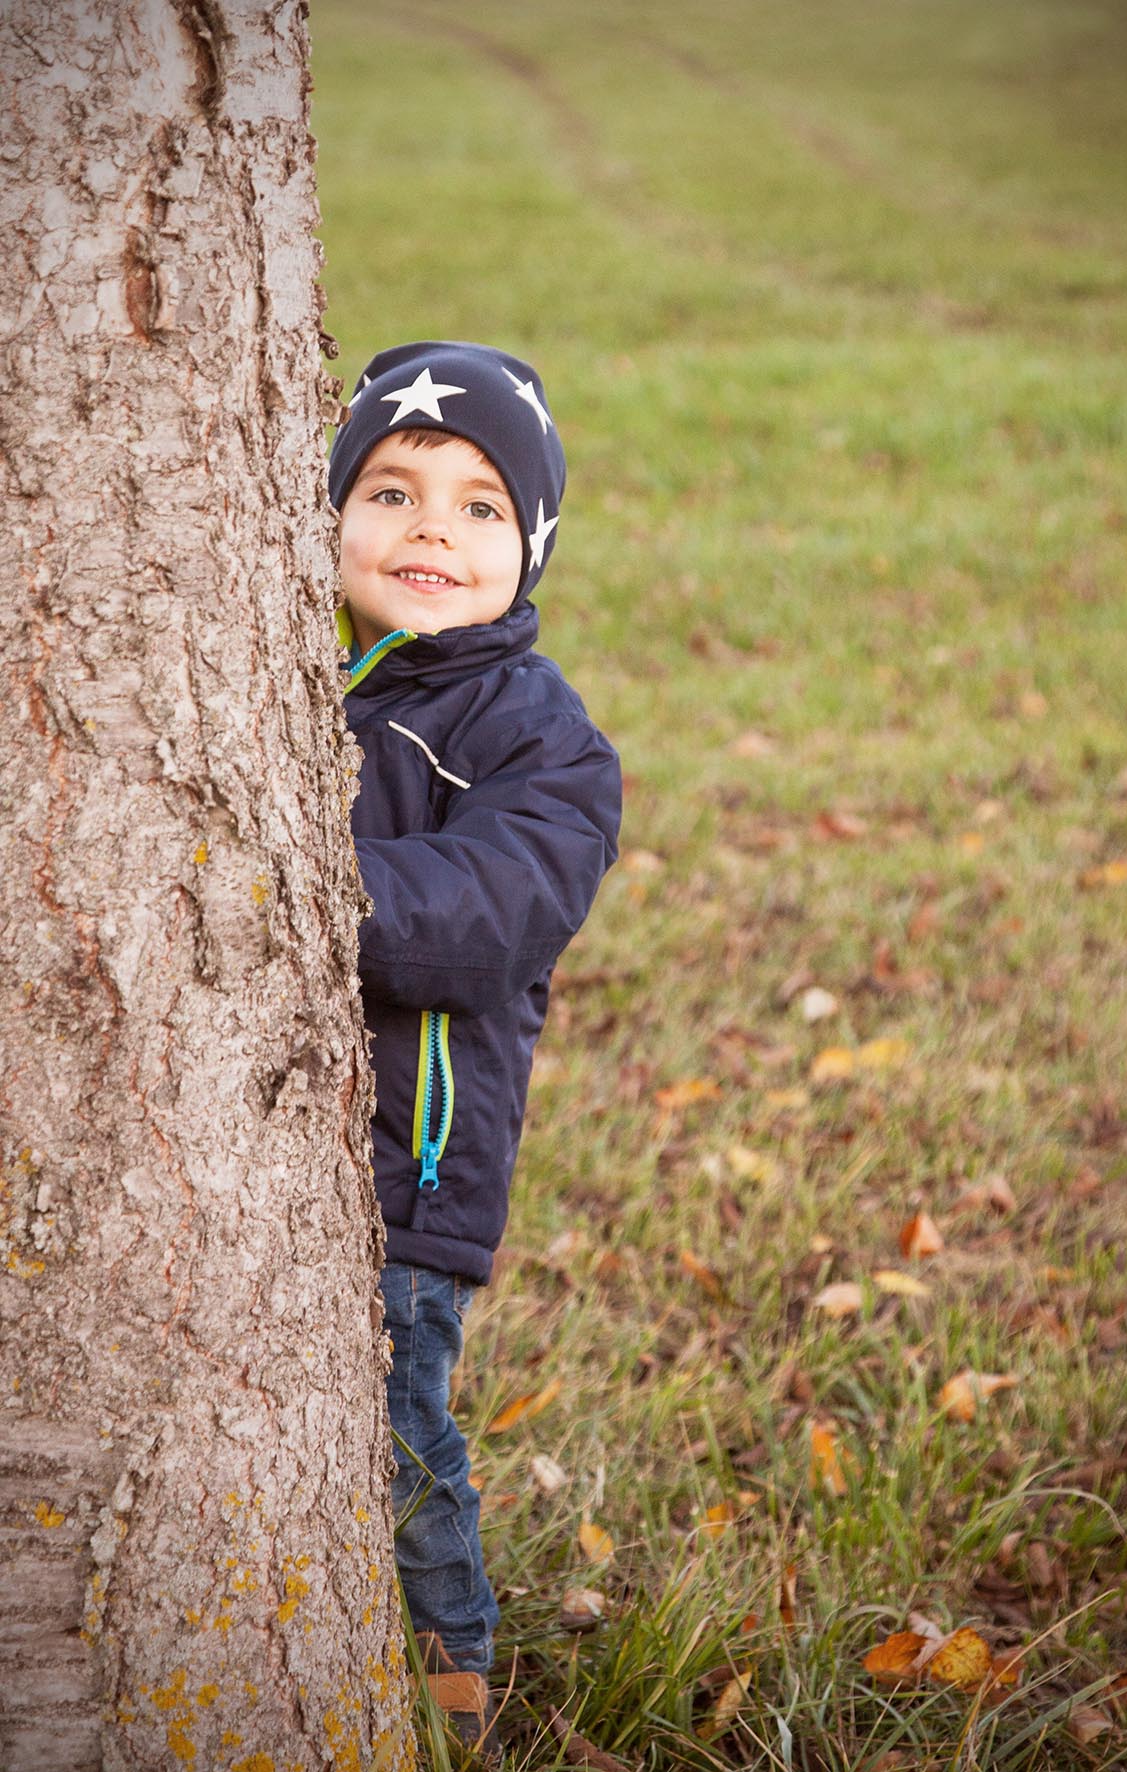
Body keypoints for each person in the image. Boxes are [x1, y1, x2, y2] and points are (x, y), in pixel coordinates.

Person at [328, 341, 622, 1756]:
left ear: (531, 552)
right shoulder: (276, 679)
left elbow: (479, 921)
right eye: (389, 489)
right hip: (258, 1148)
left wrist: (288, 883)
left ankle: (450, 1677)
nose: (428, 527)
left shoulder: (542, 740)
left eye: (478, 506)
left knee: (396, 1429)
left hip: (408, 1170)